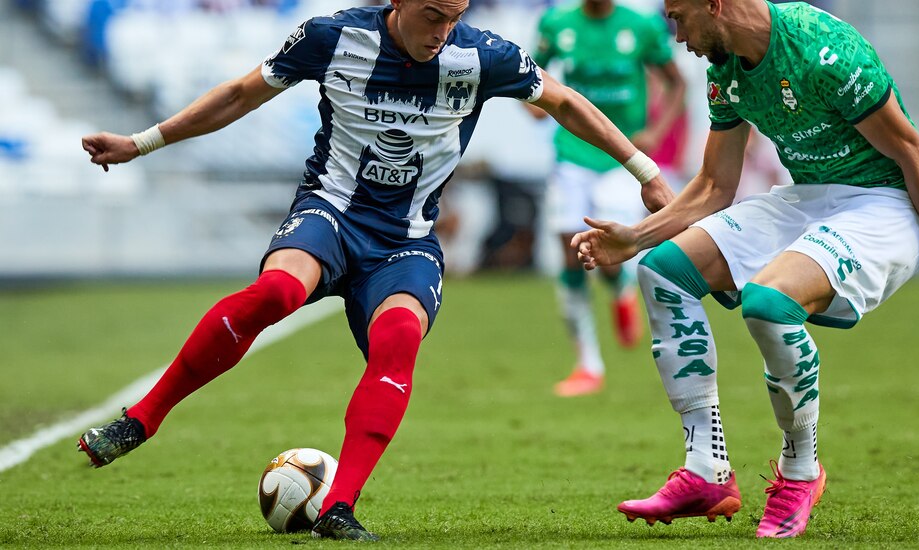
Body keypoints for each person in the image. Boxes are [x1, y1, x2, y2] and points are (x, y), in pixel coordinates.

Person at [76, 0, 674, 541]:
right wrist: (141, 143)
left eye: (454, 18)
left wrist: (645, 171)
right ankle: (141, 420)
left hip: (406, 240)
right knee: (276, 293)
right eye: (433, 15)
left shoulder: (483, 55)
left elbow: (563, 101)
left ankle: (338, 506)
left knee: (400, 337)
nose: (443, 32)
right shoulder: (332, 37)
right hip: (330, 214)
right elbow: (239, 95)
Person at [571, 0, 919, 538]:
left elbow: (914, 154)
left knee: (769, 302)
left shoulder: (821, 49)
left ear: (714, 5)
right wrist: (635, 239)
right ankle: (707, 471)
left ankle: (801, 471)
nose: (677, 36)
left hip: (885, 203)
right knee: (663, 272)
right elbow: (715, 184)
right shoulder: (724, 69)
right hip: (808, 197)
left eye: (678, 17)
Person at [530, 0, 686, 396]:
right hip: (572, 153)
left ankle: (621, 289)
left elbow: (677, 82)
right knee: (570, 251)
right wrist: (532, 102)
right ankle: (588, 364)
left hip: (623, 158)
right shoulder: (557, 23)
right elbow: (529, 71)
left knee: (609, 252)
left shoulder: (641, 27)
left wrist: (656, 132)